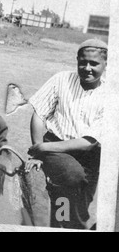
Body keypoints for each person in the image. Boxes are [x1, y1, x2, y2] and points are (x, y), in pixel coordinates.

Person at [26, 38, 108, 229]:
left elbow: (90, 142)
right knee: (72, 176)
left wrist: (43, 148)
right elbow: (39, 114)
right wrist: (39, 151)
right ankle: (56, 220)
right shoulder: (61, 79)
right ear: (77, 60)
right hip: (56, 148)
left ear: (106, 64)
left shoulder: (110, 95)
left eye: (94, 63)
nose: (87, 68)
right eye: (83, 62)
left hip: (89, 155)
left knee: (80, 213)